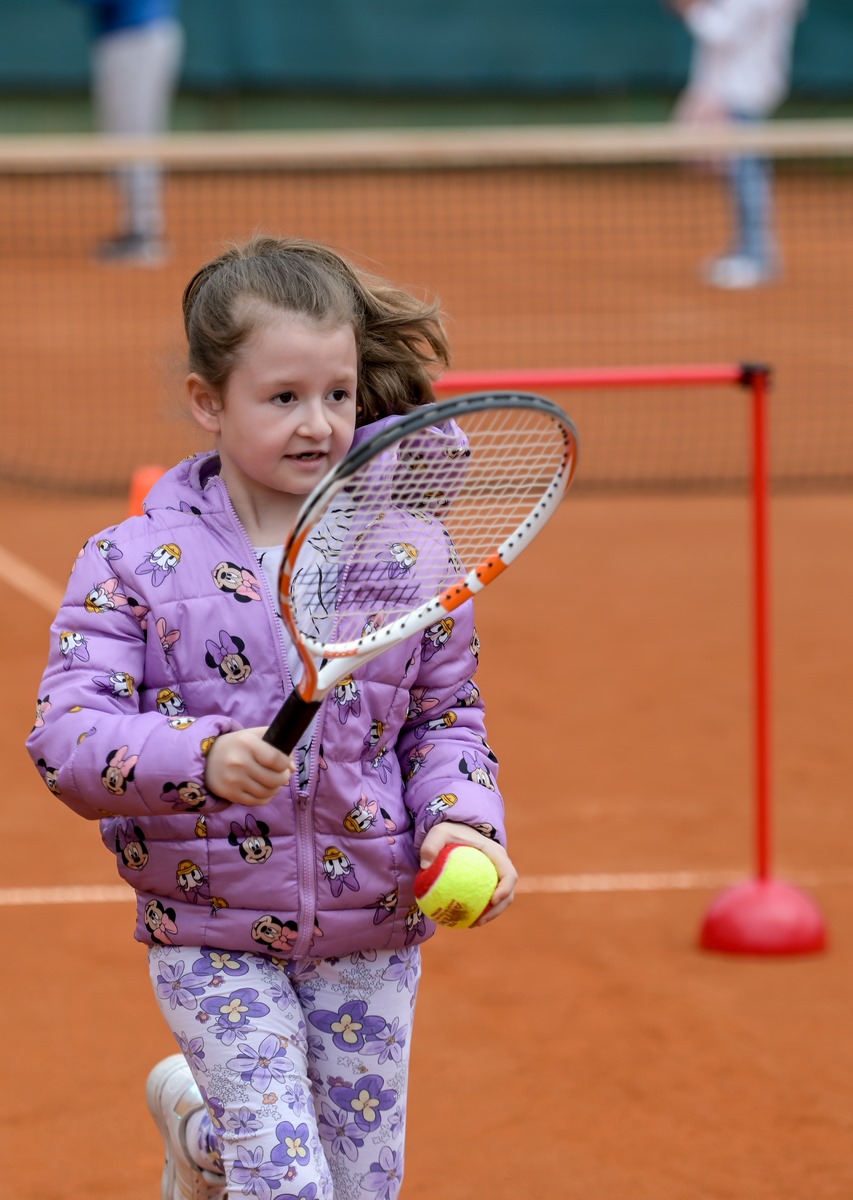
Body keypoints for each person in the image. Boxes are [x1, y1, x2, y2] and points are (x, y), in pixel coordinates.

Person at [26, 234, 517, 1200]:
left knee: (357, 1182)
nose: (317, 424)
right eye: (282, 397)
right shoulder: (131, 561)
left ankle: (201, 1139)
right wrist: (202, 759)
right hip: (207, 929)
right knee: (289, 1185)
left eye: (336, 394)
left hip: (370, 924)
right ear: (210, 401)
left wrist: (466, 822)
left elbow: (443, 717)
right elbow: (66, 737)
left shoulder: (408, 555)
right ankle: (235, 1145)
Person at [668, 0, 806, 289]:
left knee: (747, 174)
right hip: (735, 89)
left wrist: (689, 9)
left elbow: (721, 31)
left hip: (743, 90)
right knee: (739, 173)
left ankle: (757, 256)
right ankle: (746, 248)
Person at [72, 1, 185, 264]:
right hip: (128, 36)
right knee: (123, 140)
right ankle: (137, 228)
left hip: (137, 36)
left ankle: (144, 234)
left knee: (134, 139)